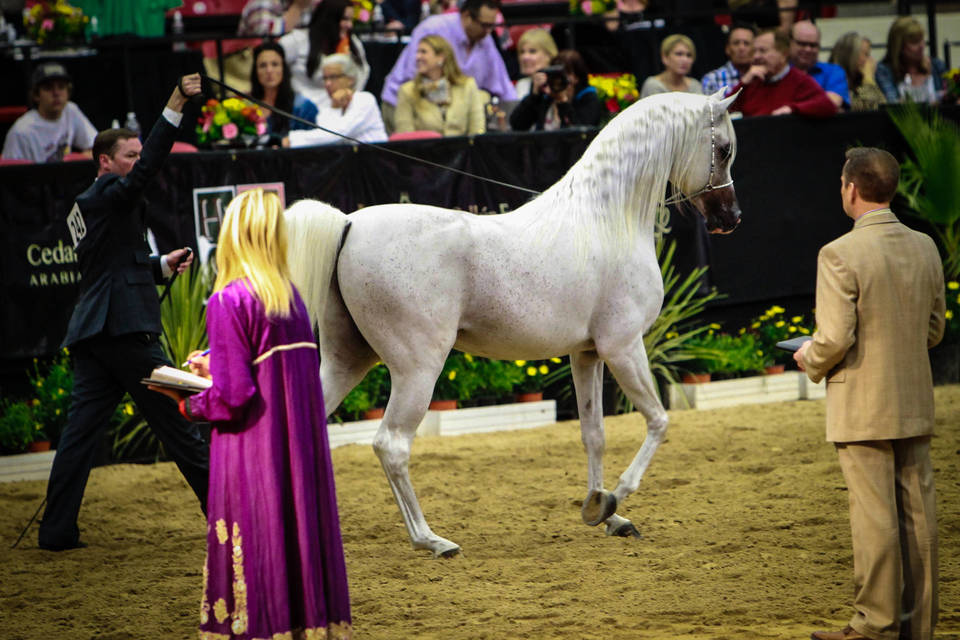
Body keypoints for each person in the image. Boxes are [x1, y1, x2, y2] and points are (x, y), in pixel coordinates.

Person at [150, 188, 353, 640]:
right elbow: (270, 371)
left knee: (257, 543)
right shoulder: (294, 301)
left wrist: (186, 401)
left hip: (252, 451)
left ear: (233, 236)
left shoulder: (228, 300)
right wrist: (216, 360)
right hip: (298, 453)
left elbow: (234, 395)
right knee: (295, 538)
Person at [37, 74, 210, 552]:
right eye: (128, 157)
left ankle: (56, 532)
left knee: (78, 439)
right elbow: (149, 169)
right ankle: (226, 509)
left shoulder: (89, 204)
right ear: (105, 162)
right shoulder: (111, 194)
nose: (136, 164)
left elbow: (109, 264)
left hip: (96, 335)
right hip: (126, 333)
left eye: (136, 155)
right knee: (179, 424)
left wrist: (159, 265)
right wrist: (174, 102)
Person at [797, 147, 944, 640]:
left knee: (875, 517)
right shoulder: (925, 245)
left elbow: (835, 337)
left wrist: (809, 358)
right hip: (914, 397)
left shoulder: (839, 252)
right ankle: (917, 626)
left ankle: (874, 624)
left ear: (851, 188)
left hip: (862, 402)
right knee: (919, 516)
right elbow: (934, 329)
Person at [380, 0, 517, 131]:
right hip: (405, 104)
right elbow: (413, 74)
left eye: (492, 26)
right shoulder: (433, 27)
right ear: (467, 16)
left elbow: (502, 84)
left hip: (451, 113)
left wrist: (516, 115)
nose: (488, 31)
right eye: (484, 25)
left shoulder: (485, 39)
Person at [279, 0, 370, 110]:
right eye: (345, 19)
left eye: (351, 20)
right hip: (303, 110)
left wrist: (349, 93)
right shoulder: (297, 41)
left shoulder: (353, 43)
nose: (349, 25)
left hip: (343, 107)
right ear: (328, 18)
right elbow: (273, 61)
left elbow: (364, 71)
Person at [729, 28, 837, 117]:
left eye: (763, 51)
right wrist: (743, 82)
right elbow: (722, 112)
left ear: (783, 55)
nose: (756, 56)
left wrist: (792, 109)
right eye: (754, 51)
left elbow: (827, 106)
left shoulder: (799, 80)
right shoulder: (751, 81)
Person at [2, 62, 97, 163]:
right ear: (36, 95)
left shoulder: (70, 110)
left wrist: (76, 160)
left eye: (61, 87)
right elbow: (10, 174)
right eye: (48, 88)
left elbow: (97, 148)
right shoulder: (21, 132)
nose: (56, 93)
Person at [393, 34, 487, 136]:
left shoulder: (467, 86)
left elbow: (478, 129)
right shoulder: (407, 91)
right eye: (417, 52)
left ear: (441, 57)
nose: (417, 57)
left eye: (423, 52)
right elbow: (405, 135)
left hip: (462, 150)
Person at [287, 53, 388, 145]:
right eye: (325, 78)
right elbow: (323, 138)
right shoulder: (326, 105)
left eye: (333, 77)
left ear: (350, 79)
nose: (328, 83)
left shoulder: (364, 99)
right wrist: (335, 107)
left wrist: (291, 139)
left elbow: (336, 134)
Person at [510, 49, 604, 131]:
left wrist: (563, 102)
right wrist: (534, 96)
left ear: (576, 77)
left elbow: (581, 132)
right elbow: (517, 125)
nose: (559, 79)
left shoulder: (588, 97)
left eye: (565, 74)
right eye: (555, 75)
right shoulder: (544, 97)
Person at [250, 40, 319, 145]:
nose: (269, 70)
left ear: (283, 68)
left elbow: (313, 146)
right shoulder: (246, 106)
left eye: (275, 64)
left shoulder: (303, 107)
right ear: (255, 71)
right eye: (263, 65)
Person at [876, 16, 949, 105]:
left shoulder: (937, 65)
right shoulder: (884, 70)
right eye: (915, 42)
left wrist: (928, 76)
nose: (921, 46)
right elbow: (893, 105)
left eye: (922, 40)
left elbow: (948, 101)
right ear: (899, 46)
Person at [788, 21, 850, 110]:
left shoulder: (833, 71)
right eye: (802, 44)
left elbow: (831, 103)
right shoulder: (779, 71)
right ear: (789, 43)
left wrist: (792, 108)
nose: (808, 49)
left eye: (813, 45)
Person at [828, 32, 886, 112]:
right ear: (850, 56)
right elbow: (869, 109)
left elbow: (883, 107)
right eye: (866, 54)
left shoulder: (859, 83)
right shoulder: (831, 82)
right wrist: (868, 79)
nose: (871, 61)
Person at [701, 23, 756, 96]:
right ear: (727, 49)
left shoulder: (763, 76)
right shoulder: (712, 79)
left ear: (755, 48)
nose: (741, 48)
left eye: (746, 43)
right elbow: (709, 107)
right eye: (736, 43)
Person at [515, 28, 559, 99]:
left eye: (532, 51)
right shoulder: (521, 85)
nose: (525, 57)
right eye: (522, 52)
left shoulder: (558, 83)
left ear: (549, 55)